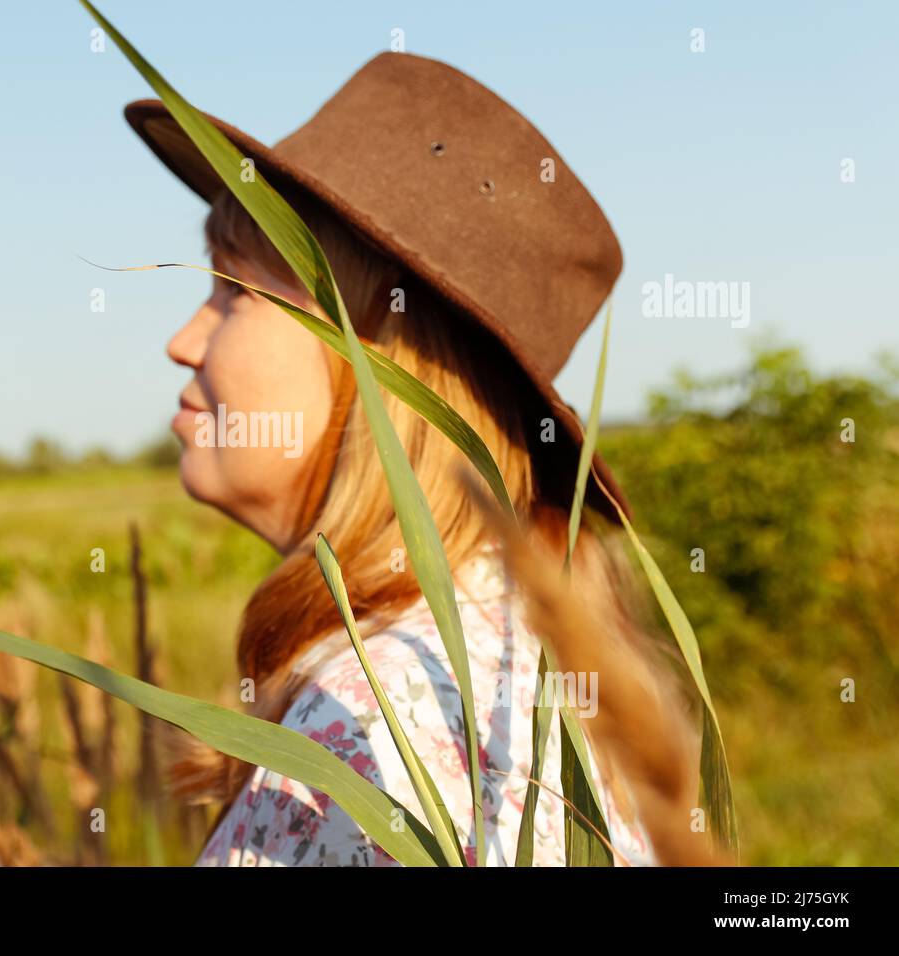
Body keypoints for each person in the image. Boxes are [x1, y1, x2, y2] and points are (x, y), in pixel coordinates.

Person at [123, 50, 697, 866]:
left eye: (234, 289)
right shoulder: (529, 674)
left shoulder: (363, 725)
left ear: (383, 358)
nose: (182, 342)